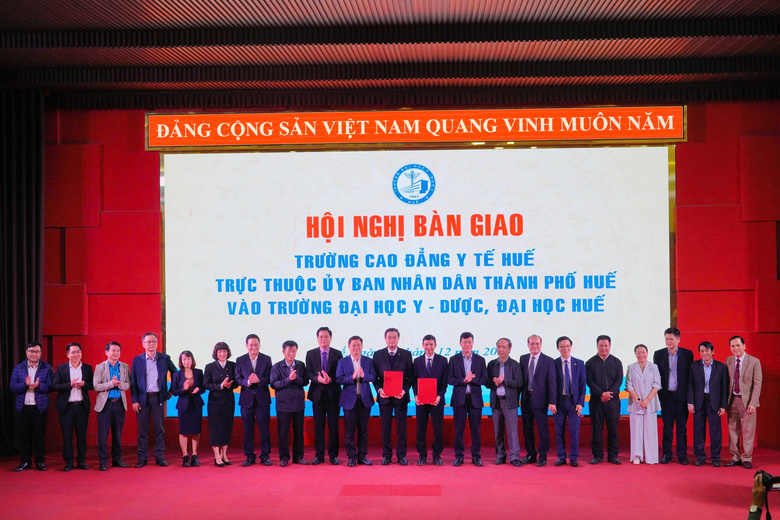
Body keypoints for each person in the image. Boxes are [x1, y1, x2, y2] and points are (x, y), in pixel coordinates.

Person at [129, 332, 177, 467]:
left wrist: (171, 390)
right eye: (148, 342)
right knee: (142, 431)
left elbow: (176, 373)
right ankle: (142, 458)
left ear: (157, 343)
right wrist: (134, 400)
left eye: (153, 341)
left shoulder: (165, 358)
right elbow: (133, 381)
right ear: (143, 344)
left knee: (159, 429)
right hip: (142, 399)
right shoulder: (137, 360)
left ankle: (159, 457)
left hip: (158, 398)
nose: (151, 344)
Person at [373, 327, 414, 465]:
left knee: (401, 428)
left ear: (398, 338)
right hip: (384, 397)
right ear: (385, 339)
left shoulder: (406, 354)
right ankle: (387, 455)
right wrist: (379, 390)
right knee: (385, 428)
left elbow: (410, 377)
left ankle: (401, 455)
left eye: (394, 337)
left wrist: (404, 390)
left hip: (400, 397)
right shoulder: (378, 355)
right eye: (389, 337)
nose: (392, 340)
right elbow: (375, 377)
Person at [10, 341, 53, 471]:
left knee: (39, 436)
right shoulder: (19, 368)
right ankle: (25, 461)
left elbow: (51, 386)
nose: (34, 354)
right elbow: (13, 387)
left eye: (37, 351)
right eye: (31, 351)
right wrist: (25, 384)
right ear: (26, 353)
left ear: (40, 353)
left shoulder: (47, 368)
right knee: (24, 436)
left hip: (39, 408)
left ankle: (40, 461)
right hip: (22, 407)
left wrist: (38, 386)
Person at [653, 326, 693, 465]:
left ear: (678, 339)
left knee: (682, 428)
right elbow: (656, 377)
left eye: (671, 339)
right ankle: (667, 454)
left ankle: (682, 455)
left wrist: (689, 399)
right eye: (666, 339)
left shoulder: (687, 354)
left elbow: (690, 378)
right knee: (667, 428)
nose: (668, 342)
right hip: (666, 397)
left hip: (681, 398)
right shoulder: (658, 354)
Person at [52, 342, 93, 471]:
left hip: (81, 406)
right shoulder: (61, 368)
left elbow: (92, 385)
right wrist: (69, 384)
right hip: (66, 407)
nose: (76, 354)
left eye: (78, 352)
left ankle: (81, 461)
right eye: (73, 352)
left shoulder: (87, 368)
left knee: (82, 436)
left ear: (81, 353)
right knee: (67, 436)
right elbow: (54, 386)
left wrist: (84, 384)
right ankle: (69, 462)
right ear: (68, 354)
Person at [448, 331, 487, 467]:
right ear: (460, 343)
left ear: (473, 343)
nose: (467, 345)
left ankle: (476, 456)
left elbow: (485, 379)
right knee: (459, 429)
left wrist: (473, 379)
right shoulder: (453, 359)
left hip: (475, 399)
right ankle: (459, 456)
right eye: (465, 342)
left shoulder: (480, 360)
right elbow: (449, 379)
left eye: (470, 342)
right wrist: (463, 380)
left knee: (476, 429)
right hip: (459, 399)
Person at [687, 341, 729, 467]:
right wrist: (690, 402)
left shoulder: (721, 367)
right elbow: (690, 385)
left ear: (712, 351)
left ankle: (715, 457)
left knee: (715, 432)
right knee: (698, 431)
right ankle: (700, 457)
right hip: (698, 402)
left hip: (714, 402)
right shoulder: (694, 366)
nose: (704, 353)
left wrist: (723, 405)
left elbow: (724, 387)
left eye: (707, 350)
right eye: (702, 351)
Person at [305, 326, 343, 465]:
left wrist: (330, 379)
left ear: (330, 338)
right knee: (318, 426)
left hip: (333, 395)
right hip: (317, 395)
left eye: (326, 336)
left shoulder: (337, 354)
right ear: (317, 339)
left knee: (334, 426)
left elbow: (340, 372)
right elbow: (308, 372)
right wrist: (317, 379)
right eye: (321, 337)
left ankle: (333, 455)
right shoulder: (310, 354)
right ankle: (319, 455)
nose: (323, 339)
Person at [336, 335, 376, 467]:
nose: (356, 348)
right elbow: (339, 379)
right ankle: (351, 457)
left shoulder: (368, 361)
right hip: (349, 401)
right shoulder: (342, 362)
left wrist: (364, 376)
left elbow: (374, 377)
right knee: (350, 431)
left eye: (358, 345)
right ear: (349, 347)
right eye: (353, 345)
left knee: (363, 430)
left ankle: (362, 456)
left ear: (362, 346)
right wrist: (352, 377)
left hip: (364, 400)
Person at [234, 333, 273, 466]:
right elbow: (238, 379)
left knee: (264, 429)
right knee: (248, 429)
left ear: (259, 345)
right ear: (246, 346)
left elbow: (270, 378)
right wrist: (248, 382)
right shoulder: (240, 360)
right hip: (247, 400)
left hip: (262, 399)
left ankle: (265, 456)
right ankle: (249, 456)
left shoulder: (267, 359)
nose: (253, 347)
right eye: (251, 345)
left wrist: (259, 380)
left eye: (256, 344)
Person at [725, 335, 763, 469]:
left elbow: (757, 384)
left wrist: (753, 402)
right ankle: (735, 457)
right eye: (732, 346)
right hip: (732, 400)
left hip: (747, 402)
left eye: (738, 345)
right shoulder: (728, 360)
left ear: (744, 346)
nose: (735, 348)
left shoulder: (754, 361)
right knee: (732, 430)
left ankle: (746, 457)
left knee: (748, 431)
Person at [270, 340, 310, 466]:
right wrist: (288, 379)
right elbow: (274, 384)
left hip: (298, 404)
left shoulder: (300, 365)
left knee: (299, 432)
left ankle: (298, 457)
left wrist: (296, 378)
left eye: (294, 351)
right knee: (283, 433)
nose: (291, 354)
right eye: (289, 351)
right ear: (283, 352)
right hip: (283, 405)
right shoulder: (277, 367)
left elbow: (305, 382)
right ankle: (284, 457)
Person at [519, 334, 556, 466]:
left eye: (537, 343)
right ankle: (531, 454)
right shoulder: (523, 359)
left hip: (541, 400)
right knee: (527, 428)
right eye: (532, 343)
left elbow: (552, 383)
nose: (534, 346)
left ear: (541, 344)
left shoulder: (548, 361)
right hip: (526, 398)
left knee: (542, 429)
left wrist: (552, 401)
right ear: (528, 345)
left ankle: (543, 455)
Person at [586, 334, 623, 464]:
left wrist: (609, 394)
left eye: (606, 345)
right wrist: (602, 394)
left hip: (613, 401)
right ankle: (597, 456)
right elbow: (590, 382)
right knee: (596, 429)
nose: (604, 348)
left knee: (613, 429)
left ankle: (613, 456)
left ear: (610, 346)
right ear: (597, 346)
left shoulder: (617, 362)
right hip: (597, 401)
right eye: (601, 345)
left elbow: (619, 381)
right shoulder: (590, 363)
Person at [93, 341, 130, 471]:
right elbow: (96, 386)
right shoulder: (100, 367)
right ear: (106, 352)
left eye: (118, 350)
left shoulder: (124, 366)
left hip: (119, 404)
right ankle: (103, 461)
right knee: (103, 435)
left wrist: (119, 384)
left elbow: (128, 384)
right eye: (113, 350)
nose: (116, 353)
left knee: (117, 434)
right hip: (105, 405)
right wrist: (111, 384)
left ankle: (117, 459)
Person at [486, 338, 523, 467]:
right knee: (498, 431)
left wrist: (504, 381)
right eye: (499, 347)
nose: (501, 349)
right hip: (496, 401)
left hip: (510, 402)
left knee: (512, 432)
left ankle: (514, 457)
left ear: (509, 349)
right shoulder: (492, 364)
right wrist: (494, 382)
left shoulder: (515, 364)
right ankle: (500, 455)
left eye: (504, 347)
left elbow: (519, 382)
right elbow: (487, 383)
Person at [412, 334, 448, 466]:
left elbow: (444, 382)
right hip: (421, 401)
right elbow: (414, 381)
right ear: (423, 345)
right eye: (426, 344)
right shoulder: (417, 361)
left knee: (438, 429)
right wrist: (416, 395)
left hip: (436, 401)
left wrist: (439, 396)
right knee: (421, 429)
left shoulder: (443, 360)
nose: (429, 347)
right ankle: (422, 455)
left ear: (435, 345)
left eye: (431, 344)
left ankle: (437, 455)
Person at [552, 336, 586, 467]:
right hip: (559, 402)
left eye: (567, 346)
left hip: (574, 402)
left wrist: (580, 403)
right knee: (559, 431)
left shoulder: (579, 363)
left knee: (574, 431)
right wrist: (552, 402)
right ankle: (561, 456)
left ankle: (573, 457)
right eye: (562, 346)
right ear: (558, 348)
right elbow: (551, 385)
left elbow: (582, 385)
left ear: (571, 347)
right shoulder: (553, 364)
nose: (565, 349)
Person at [626, 344, 661, 464]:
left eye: (643, 352)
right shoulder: (631, 368)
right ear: (635, 354)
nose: (641, 355)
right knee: (636, 431)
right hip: (636, 404)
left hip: (650, 403)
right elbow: (629, 385)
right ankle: (637, 456)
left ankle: (651, 457)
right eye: (638, 353)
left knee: (650, 431)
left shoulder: (654, 367)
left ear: (647, 353)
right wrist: (639, 400)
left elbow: (657, 384)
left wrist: (647, 400)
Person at [203, 341, 237, 467]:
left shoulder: (233, 365)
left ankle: (224, 455)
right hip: (215, 402)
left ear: (228, 353)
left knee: (227, 426)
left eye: (224, 351)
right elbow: (206, 384)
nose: (222, 354)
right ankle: (217, 456)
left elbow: (237, 381)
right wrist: (220, 386)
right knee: (216, 428)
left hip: (228, 400)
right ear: (216, 353)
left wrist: (230, 385)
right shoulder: (210, 367)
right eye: (220, 351)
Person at [171, 350, 204, 467]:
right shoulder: (177, 374)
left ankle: (194, 455)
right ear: (181, 361)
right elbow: (174, 391)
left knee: (195, 430)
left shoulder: (198, 372)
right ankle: (185, 456)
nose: (186, 361)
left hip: (196, 404)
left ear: (192, 360)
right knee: (183, 431)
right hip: (183, 405)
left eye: (188, 359)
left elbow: (203, 387)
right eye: (184, 359)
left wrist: (198, 389)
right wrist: (183, 389)